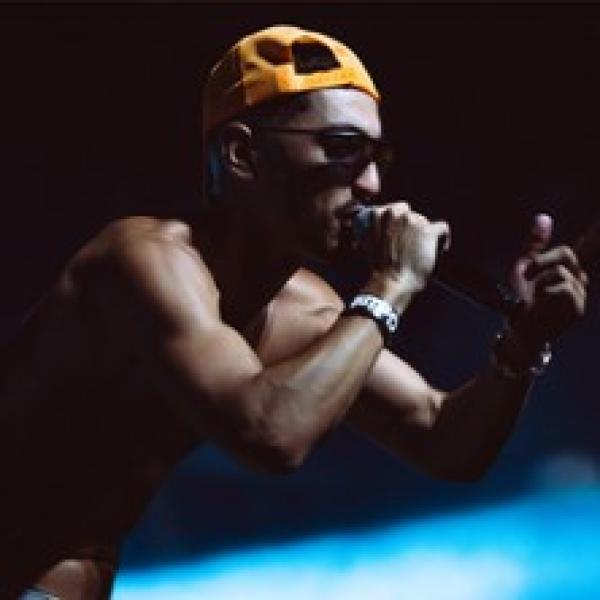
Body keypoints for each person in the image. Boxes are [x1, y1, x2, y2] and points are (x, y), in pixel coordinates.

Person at [2, 25, 587, 599]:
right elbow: (268, 433)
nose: (372, 184)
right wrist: (393, 284)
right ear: (242, 154)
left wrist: (523, 343)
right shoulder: (142, 260)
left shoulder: (305, 309)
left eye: (377, 158)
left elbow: (447, 441)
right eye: (343, 149)